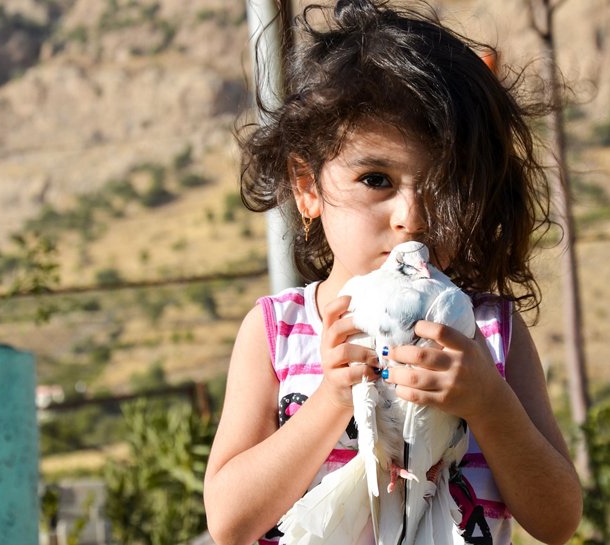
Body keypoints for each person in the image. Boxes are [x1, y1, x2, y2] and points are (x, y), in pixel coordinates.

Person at [204, 1, 583, 544]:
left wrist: (488, 403)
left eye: (443, 186)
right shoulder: (277, 333)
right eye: (377, 179)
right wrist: (333, 400)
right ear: (309, 187)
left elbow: (558, 520)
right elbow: (229, 521)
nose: (412, 218)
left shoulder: (491, 334)